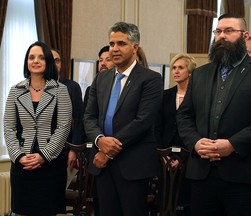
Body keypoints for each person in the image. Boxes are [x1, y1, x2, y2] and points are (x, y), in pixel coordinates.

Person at [177, 13, 251, 216]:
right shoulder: (200, 74)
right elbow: (184, 116)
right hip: (202, 174)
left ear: (244, 36)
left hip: (243, 175)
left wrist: (232, 145)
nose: (221, 36)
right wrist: (195, 142)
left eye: (228, 31)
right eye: (218, 31)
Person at [83, 21, 163, 216]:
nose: (114, 49)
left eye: (121, 44)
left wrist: (108, 151)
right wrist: (100, 140)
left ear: (135, 47)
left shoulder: (150, 79)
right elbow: (89, 116)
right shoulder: (101, 78)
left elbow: (143, 120)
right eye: (112, 44)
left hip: (132, 163)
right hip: (102, 163)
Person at [4, 41, 72, 215]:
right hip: (22, 163)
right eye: (31, 57)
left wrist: (44, 156)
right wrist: (18, 156)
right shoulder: (15, 91)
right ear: (26, 62)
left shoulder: (61, 90)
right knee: (21, 211)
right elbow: (9, 128)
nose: (36, 61)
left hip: (51, 164)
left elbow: (63, 127)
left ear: (48, 61)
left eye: (41, 57)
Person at [155, 53, 196, 215]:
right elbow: (156, 127)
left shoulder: (197, 97)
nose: (176, 71)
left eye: (180, 68)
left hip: (189, 156)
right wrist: (162, 154)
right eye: (174, 68)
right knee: (165, 200)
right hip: (164, 155)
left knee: (184, 201)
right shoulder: (165, 95)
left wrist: (183, 157)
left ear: (190, 72)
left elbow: (197, 128)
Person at [51, 48, 84, 169]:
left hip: (64, 149)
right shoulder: (35, 88)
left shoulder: (71, 87)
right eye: (51, 60)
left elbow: (80, 119)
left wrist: (74, 149)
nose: (54, 64)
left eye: (57, 61)